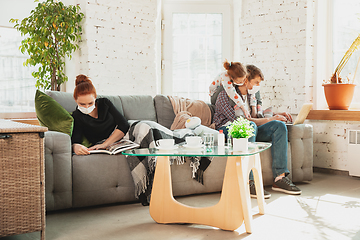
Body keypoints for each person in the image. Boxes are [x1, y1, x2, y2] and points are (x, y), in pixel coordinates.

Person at [213, 64, 302, 198]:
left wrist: (275, 116)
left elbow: (257, 118)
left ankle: (279, 178)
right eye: (256, 82)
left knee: (279, 126)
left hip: (250, 128)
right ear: (246, 80)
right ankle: (248, 182)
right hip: (227, 129)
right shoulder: (225, 96)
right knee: (250, 126)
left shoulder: (251, 97)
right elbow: (242, 123)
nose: (257, 86)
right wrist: (270, 119)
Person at [71, 74, 130, 155]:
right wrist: (75, 147)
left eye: (90, 103)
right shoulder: (77, 116)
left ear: (95, 97)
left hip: (122, 134)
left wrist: (105, 144)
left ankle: (153, 166)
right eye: (82, 104)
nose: (87, 107)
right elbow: (76, 140)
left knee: (145, 127)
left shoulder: (104, 103)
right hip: (109, 144)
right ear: (75, 100)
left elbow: (124, 124)